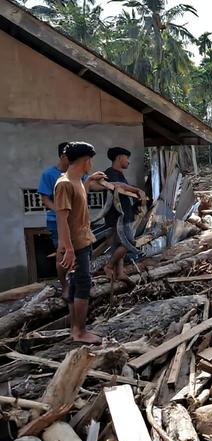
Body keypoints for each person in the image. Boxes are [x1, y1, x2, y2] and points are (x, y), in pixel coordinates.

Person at [55, 142, 105, 344]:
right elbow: (62, 220)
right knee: (83, 285)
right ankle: (79, 332)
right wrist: (68, 249)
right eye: (90, 160)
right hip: (75, 244)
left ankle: (76, 328)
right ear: (85, 160)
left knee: (78, 284)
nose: (91, 164)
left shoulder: (77, 181)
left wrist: (90, 180)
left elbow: (79, 196)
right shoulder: (64, 183)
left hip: (83, 239)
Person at [38, 143, 102, 298]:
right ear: (63, 157)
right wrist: (62, 211)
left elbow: (82, 192)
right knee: (62, 253)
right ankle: (65, 286)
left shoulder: (77, 175)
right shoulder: (51, 175)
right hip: (57, 221)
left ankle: (75, 289)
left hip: (76, 224)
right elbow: (45, 199)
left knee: (78, 263)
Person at [103, 147, 144, 282]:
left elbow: (124, 193)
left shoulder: (120, 173)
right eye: (127, 158)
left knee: (118, 244)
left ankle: (120, 273)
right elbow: (117, 185)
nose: (128, 162)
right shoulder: (110, 173)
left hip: (124, 214)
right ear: (119, 157)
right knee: (128, 243)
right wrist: (137, 190)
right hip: (118, 216)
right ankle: (109, 266)